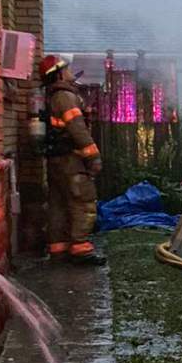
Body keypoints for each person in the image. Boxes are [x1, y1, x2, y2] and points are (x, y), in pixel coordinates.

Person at [39, 54, 106, 265]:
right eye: (66, 69)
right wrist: (93, 157)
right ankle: (81, 249)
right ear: (59, 73)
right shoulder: (65, 97)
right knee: (83, 200)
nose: (70, 72)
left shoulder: (50, 96)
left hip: (55, 161)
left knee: (58, 204)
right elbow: (78, 129)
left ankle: (57, 250)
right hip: (71, 160)